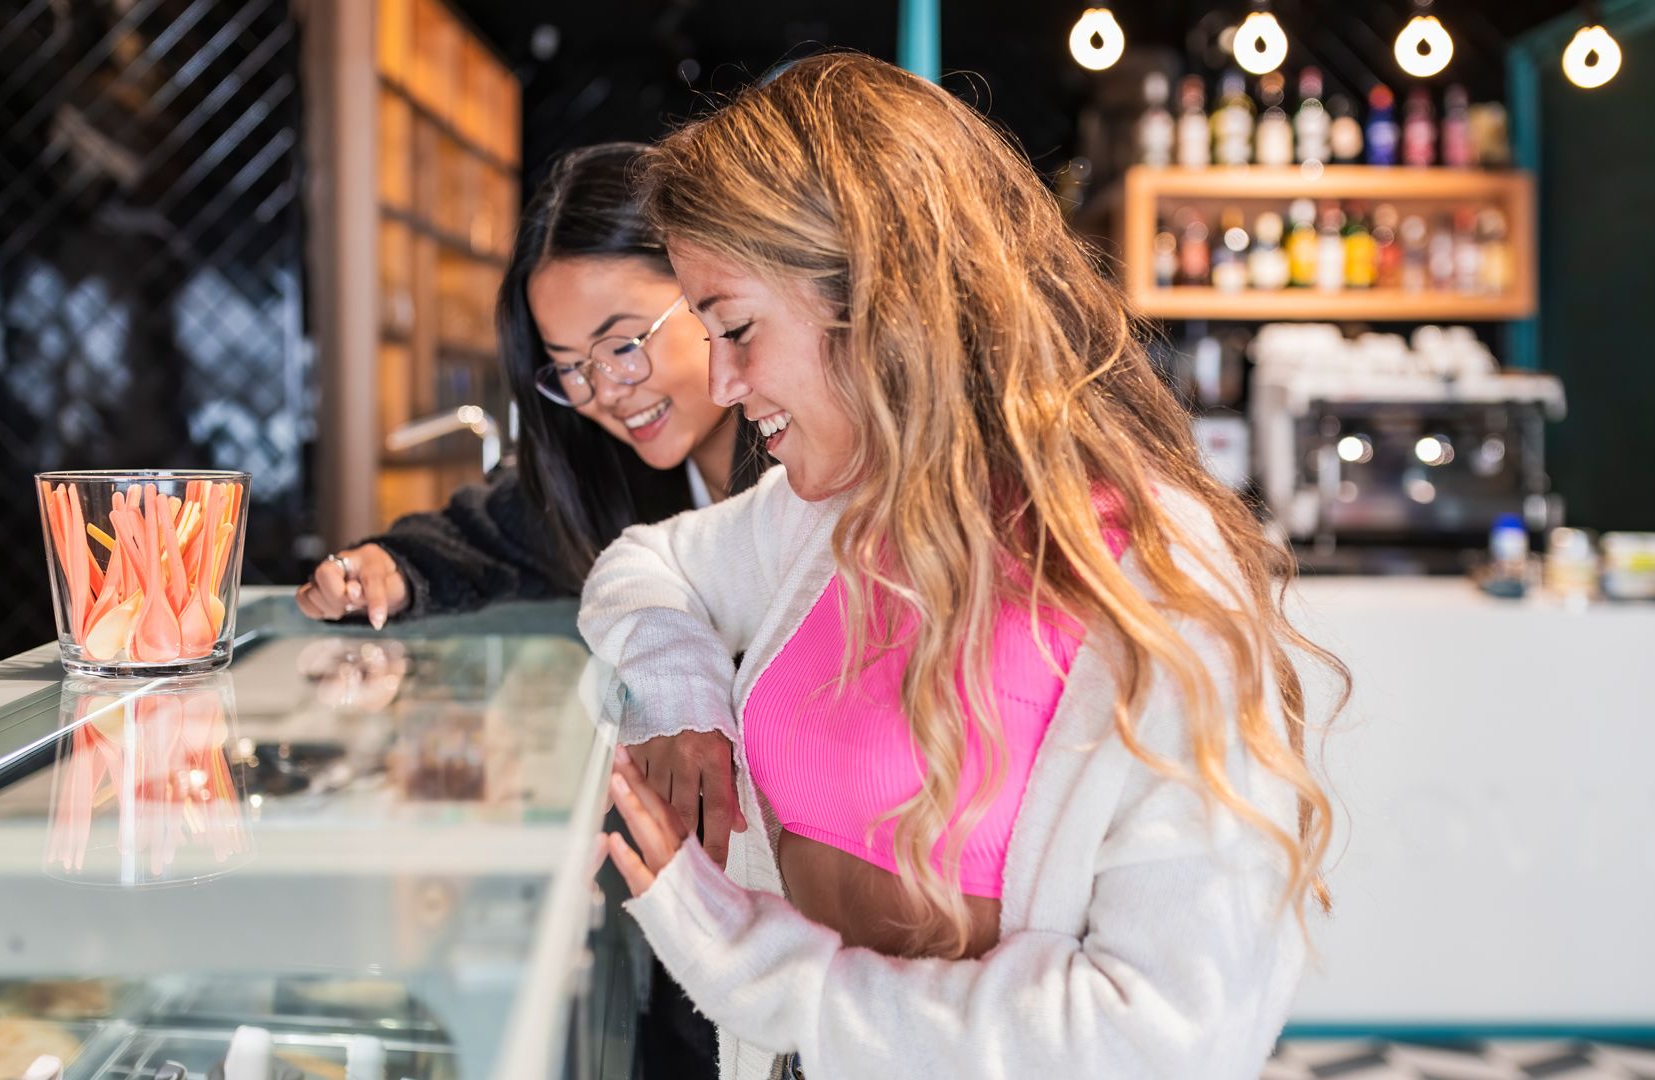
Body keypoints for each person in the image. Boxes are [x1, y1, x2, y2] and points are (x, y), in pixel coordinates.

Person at [580, 53, 1346, 1080]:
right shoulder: (832, 512)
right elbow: (646, 569)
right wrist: (682, 697)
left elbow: (1166, 1038)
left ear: (882, 300)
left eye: (739, 327)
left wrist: (750, 965)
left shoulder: (1157, 585)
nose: (721, 380)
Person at [294, 142, 757, 1076]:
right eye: (569, 369)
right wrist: (382, 569)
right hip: (687, 926)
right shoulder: (606, 477)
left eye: (623, 342)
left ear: (710, 285)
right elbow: (485, 534)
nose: (605, 393)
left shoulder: (812, 446)